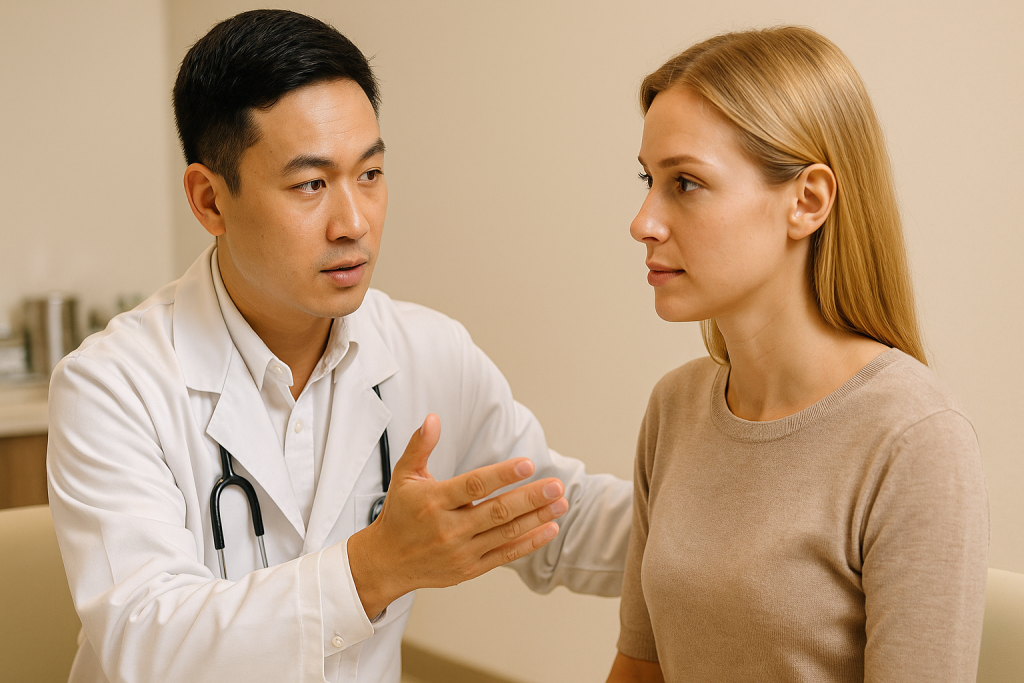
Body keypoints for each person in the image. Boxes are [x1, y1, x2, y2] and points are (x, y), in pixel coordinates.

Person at [46, 10, 630, 683]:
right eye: (310, 185)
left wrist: (747, 512)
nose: (353, 222)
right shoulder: (113, 385)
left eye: (371, 174)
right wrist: (373, 568)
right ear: (209, 200)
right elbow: (148, 643)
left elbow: (557, 513)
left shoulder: (426, 351)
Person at [606, 27, 988, 683]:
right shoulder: (675, 407)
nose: (643, 220)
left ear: (807, 200)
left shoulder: (916, 439)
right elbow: (641, 669)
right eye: (649, 179)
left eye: (686, 183)